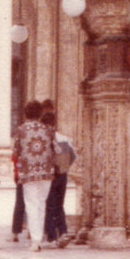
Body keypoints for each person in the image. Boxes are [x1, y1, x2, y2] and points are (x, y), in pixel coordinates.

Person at [11, 100, 56, 251]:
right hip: (46, 171)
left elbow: (16, 151)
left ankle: (35, 240)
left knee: (31, 205)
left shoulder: (21, 130)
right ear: (40, 113)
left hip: (28, 172)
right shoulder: (48, 129)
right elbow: (55, 149)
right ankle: (39, 237)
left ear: (26, 114)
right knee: (41, 204)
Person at [40, 101, 76, 248]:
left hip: (49, 176)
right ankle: (63, 231)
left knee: (49, 204)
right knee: (59, 205)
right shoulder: (64, 138)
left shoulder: (43, 139)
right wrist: (65, 167)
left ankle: (51, 237)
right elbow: (73, 156)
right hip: (62, 174)